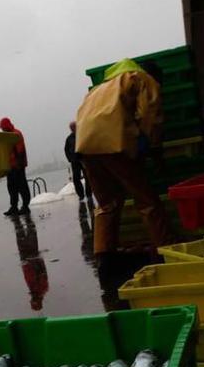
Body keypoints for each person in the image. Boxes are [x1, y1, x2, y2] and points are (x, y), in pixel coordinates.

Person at [74, 59, 174, 273]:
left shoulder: (99, 88)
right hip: (114, 141)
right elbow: (150, 113)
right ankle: (166, 251)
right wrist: (154, 146)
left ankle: (104, 257)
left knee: (107, 203)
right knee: (147, 200)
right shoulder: (141, 78)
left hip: (85, 145)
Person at [0, 117, 31, 216]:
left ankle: (25, 206)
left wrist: (19, 164)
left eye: (3, 128)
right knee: (11, 187)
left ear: (7, 126)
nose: (2, 130)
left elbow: (20, 150)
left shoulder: (16, 134)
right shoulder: (6, 136)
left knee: (22, 186)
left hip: (18, 166)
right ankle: (14, 207)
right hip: (10, 166)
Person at [64, 121, 92, 200]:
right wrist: (70, 158)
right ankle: (81, 195)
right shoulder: (69, 139)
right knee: (76, 178)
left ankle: (89, 194)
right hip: (74, 161)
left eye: (74, 127)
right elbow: (66, 149)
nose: (73, 128)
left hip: (84, 160)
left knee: (88, 177)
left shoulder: (82, 135)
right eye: (71, 128)